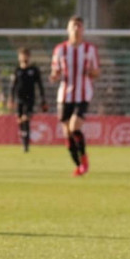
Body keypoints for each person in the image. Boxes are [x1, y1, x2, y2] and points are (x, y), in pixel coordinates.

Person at [50, 16, 100, 176]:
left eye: (79, 26)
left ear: (83, 29)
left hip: (83, 94)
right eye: (73, 26)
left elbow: (97, 71)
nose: (76, 29)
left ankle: (84, 158)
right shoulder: (60, 50)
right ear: (68, 29)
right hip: (64, 96)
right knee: (67, 133)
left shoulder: (90, 49)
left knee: (74, 126)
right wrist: (54, 75)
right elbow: (54, 72)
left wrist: (91, 72)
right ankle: (78, 165)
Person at [9, 47, 48, 152]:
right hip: (19, 99)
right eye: (22, 55)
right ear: (19, 57)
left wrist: (43, 100)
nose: (24, 57)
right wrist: (11, 99)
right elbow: (12, 86)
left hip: (30, 99)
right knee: (20, 122)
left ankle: (26, 145)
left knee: (26, 119)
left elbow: (40, 86)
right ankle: (24, 141)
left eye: (26, 55)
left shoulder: (34, 70)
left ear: (29, 57)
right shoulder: (17, 70)